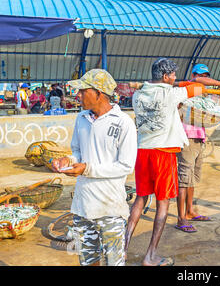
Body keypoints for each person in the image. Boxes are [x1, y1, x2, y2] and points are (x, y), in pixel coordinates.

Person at [50, 69, 138, 266]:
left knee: (114, 261)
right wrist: (68, 159)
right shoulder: (81, 118)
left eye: (83, 91)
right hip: (83, 207)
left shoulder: (123, 123)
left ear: (99, 93)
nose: (77, 95)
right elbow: (78, 151)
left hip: (110, 208)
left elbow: (125, 166)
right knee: (88, 260)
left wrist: (87, 169)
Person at [125, 58, 207, 266]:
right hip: (163, 154)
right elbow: (198, 86)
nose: (175, 78)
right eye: (172, 75)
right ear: (165, 76)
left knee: (140, 199)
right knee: (163, 203)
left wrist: (175, 85)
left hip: (143, 151)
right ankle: (150, 255)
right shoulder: (171, 93)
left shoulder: (138, 94)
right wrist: (183, 85)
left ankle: (122, 249)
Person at [176, 63, 220, 233]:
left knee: (192, 178)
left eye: (207, 75)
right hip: (187, 138)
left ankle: (190, 211)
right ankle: (181, 218)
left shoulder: (205, 95)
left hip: (199, 138)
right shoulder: (187, 87)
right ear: (193, 74)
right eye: (201, 75)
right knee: (184, 179)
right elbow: (198, 80)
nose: (204, 78)